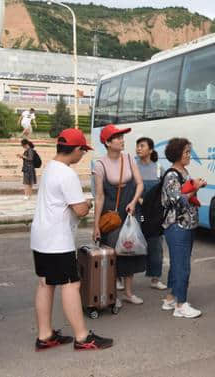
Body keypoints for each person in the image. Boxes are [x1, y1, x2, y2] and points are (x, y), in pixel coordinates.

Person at [30, 128, 113, 351]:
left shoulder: (50, 168)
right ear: (76, 149)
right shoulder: (67, 174)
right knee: (70, 284)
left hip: (40, 237)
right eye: (83, 151)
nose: (82, 155)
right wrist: (87, 204)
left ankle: (45, 335)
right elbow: (79, 210)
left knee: (46, 283)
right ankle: (82, 337)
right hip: (57, 240)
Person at [93, 124, 145, 305]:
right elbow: (99, 197)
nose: (123, 140)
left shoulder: (129, 158)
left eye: (123, 137)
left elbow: (140, 184)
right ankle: (112, 293)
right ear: (107, 142)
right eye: (118, 138)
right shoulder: (99, 164)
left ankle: (129, 293)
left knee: (130, 249)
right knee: (113, 254)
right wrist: (95, 226)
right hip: (110, 214)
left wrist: (133, 201)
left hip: (129, 210)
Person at [161, 138, 207, 318]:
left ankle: (170, 298)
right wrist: (195, 188)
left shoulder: (183, 171)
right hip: (178, 225)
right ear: (177, 154)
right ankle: (181, 305)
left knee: (177, 264)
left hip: (185, 224)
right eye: (186, 152)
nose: (189, 155)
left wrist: (194, 187)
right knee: (182, 266)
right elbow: (177, 201)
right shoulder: (172, 175)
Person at [135, 137, 167, 291]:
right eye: (137, 146)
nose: (138, 148)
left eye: (142, 146)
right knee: (131, 242)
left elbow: (164, 189)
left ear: (151, 150)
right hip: (137, 209)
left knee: (155, 244)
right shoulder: (133, 167)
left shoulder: (160, 168)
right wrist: (139, 200)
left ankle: (155, 278)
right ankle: (122, 277)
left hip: (154, 213)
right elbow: (129, 188)